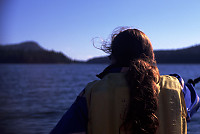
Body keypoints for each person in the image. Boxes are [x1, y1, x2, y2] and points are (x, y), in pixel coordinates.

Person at [50, 28, 200, 134]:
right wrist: (180, 83)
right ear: (152, 58)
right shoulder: (177, 88)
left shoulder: (90, 94)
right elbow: (194, 103)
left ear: (112, 58)